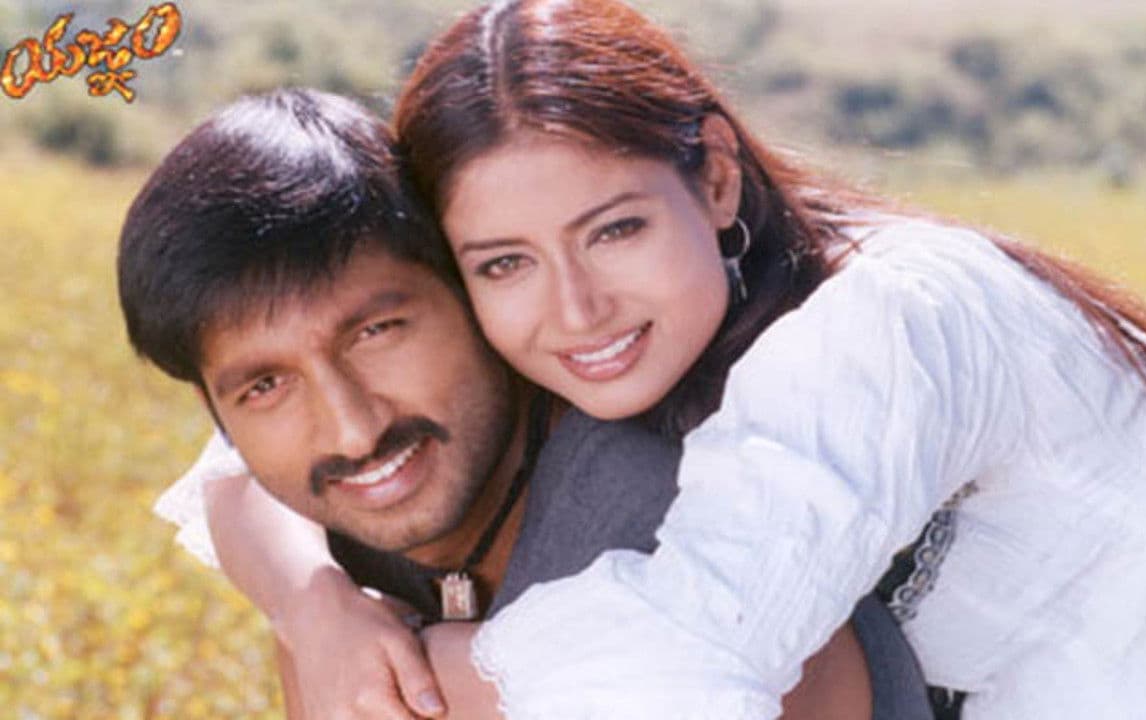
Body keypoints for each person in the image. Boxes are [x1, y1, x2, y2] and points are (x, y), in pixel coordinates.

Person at [164, 0, 1146, 717]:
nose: (575, 309)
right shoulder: (671, 320)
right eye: (504, 263)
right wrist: (315, 604)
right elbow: (261, 458)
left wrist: (395, 672)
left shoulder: (893, 318)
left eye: (614, 230)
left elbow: (689, 658)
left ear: (713, 178)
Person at [118, 87, 936, 720]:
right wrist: (312, 607)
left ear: (471, 283)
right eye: (265, 385)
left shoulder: (674, 521)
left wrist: (378, 657)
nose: (354, 429)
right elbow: (232, 482)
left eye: (377, 332)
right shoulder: (337, 511)